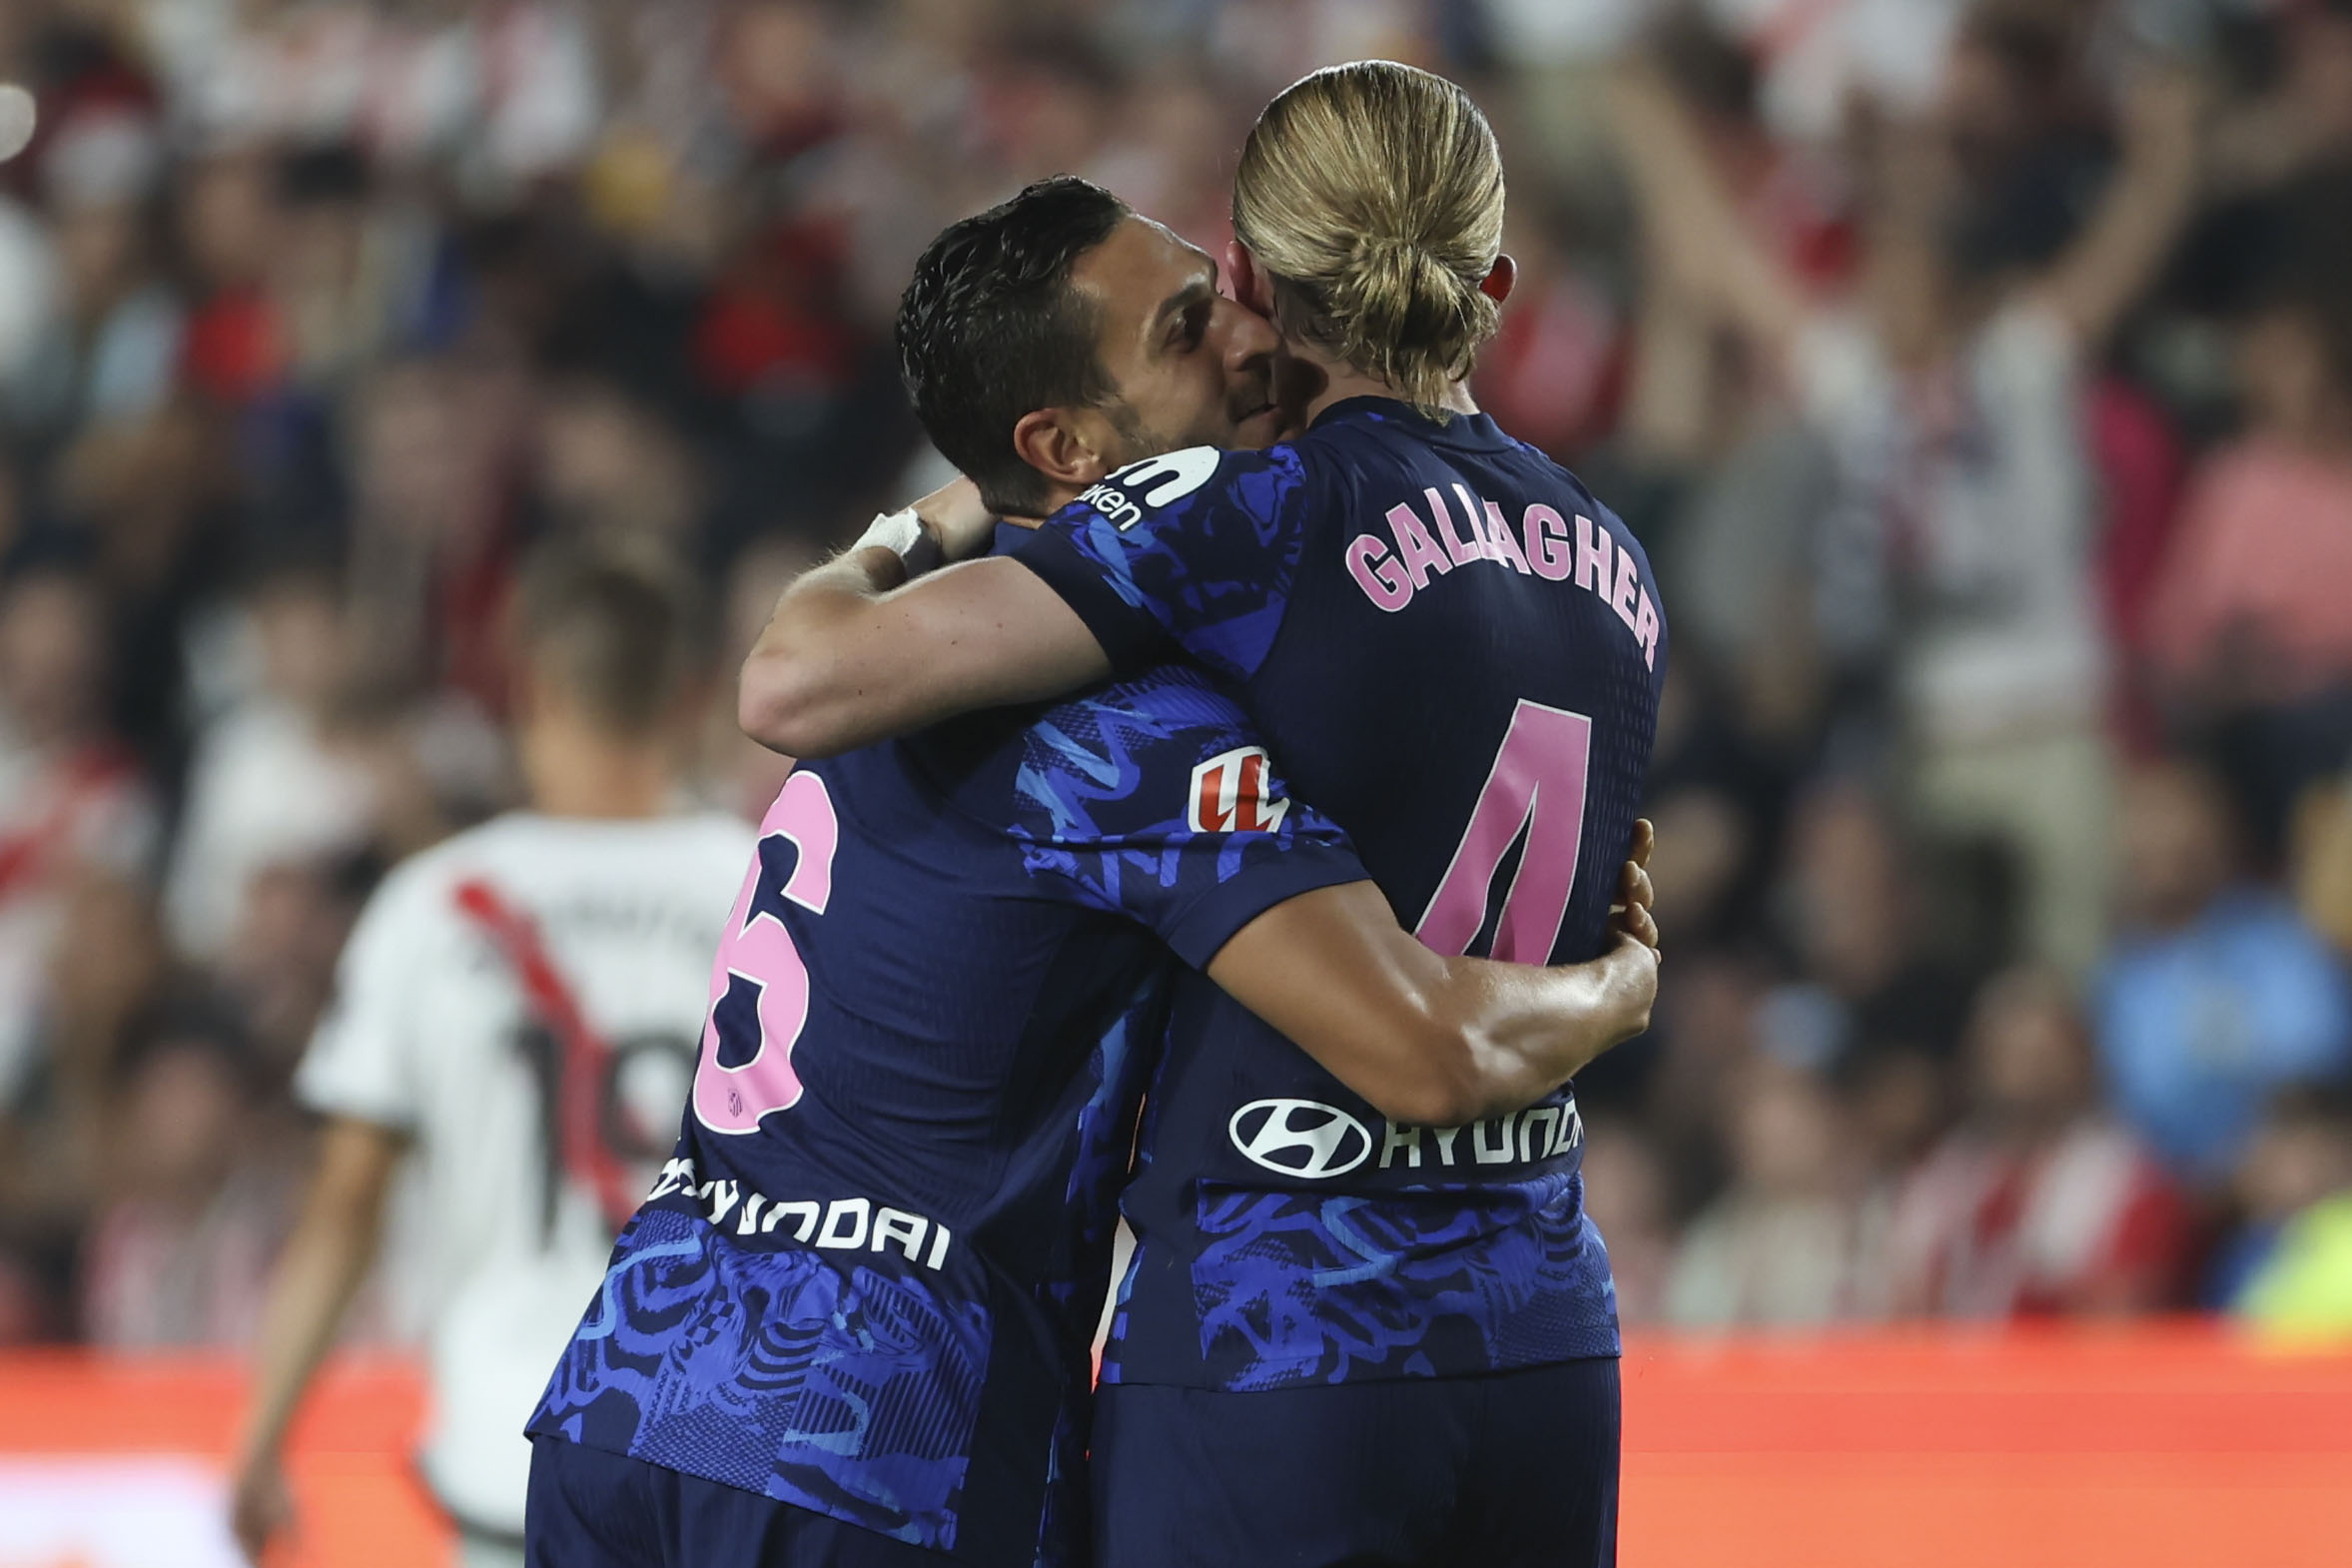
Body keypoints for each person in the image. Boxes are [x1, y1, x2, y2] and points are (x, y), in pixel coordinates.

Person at [525, 174, 1661, 1568]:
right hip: (873, 1437)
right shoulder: (1127, 735)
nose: (1250, 340)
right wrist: (1613, 984)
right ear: (1063, 440)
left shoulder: (884, 650)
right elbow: (1419, 1051)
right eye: (1188, 328)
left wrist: (926, 517)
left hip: (631, 1383)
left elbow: (801, 648)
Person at [228, 539, 757, 1568]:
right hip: (718, 1444)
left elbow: (346, 1204)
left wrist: (261, 1438)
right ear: (691, 695)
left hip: (508, 1446)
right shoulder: (770, 887)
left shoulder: (435, 906)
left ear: (533, 690)